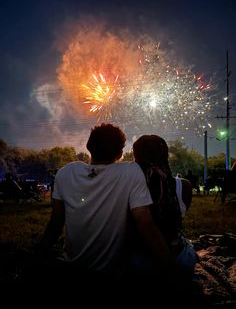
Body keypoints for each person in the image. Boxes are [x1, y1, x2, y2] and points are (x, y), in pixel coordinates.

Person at [33, 124, 175, 290]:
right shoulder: (130, 172)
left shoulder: (66, 172)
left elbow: (55, 224)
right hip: (110, 278)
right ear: (120, 153)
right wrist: (173, 271)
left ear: (89, 147)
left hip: (71, 270)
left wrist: (36, 259)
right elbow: (146, 226)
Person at [132, 135, 197, 279]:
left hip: (138, 263)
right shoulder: (184, 186)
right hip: (181, 262)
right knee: (185, 243)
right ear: (166, 155)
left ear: (135, 158)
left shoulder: (128, 188)